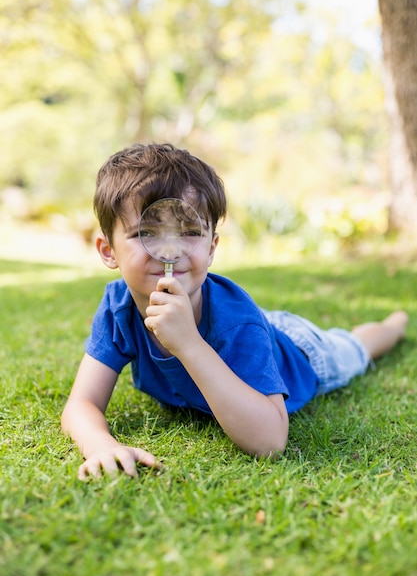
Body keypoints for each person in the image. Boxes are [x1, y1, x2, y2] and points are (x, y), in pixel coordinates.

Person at [61, 142, 408, 480]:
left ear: (212, 248)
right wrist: (100, 444)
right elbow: (81, 405)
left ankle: (394, 325)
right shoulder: (118, 305)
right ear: (108, 251)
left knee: (353, 348)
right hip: (262, 328)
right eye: (146, 232)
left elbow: (270, 441)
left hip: (304, 351)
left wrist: (189, 343)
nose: (171, 249)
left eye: (189, 231)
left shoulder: (236, 322)